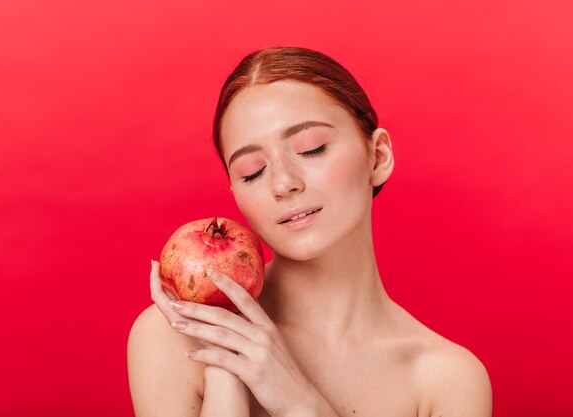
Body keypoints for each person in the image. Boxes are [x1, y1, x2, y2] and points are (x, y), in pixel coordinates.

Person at [127, 46, 492, 417]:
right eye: (252, 171)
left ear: (378, 156)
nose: (283, 183)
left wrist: (301, 405)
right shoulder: (175, 337)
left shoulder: (447, 381)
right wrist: (225, 373)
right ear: (236, 194)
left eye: (312, 149)